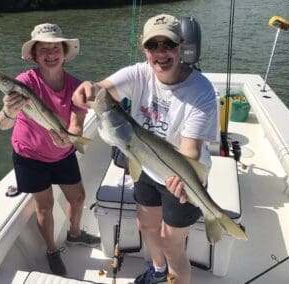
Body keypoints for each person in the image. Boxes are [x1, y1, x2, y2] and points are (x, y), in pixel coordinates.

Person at [72, 14, 218, 284]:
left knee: (172, 245)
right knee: (147, 226)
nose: (161, 53)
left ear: (181, 45)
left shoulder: (201, 91)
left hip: (182, 176)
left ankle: (209, 222)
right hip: (145, 163)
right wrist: (88, 88)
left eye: (169, 45)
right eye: (153, 46)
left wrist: (183, 182)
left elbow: (190, 151)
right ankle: (159, 271)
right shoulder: (138, 73)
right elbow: (102, 91)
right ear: (144, 49)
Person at [0, 23, 100, 276]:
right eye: (44, 50)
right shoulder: (23, 83)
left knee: (78, 198)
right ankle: (52, 250)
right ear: (34, 55)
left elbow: (75, 124)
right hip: (29, 156)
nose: (51, 54)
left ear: (64, 52)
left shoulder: (76, 87)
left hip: (62, 154)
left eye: (56, 48)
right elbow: (2, 124)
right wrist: (9, 111)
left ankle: (74, 235)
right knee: (45, 206)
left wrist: (71, 138)